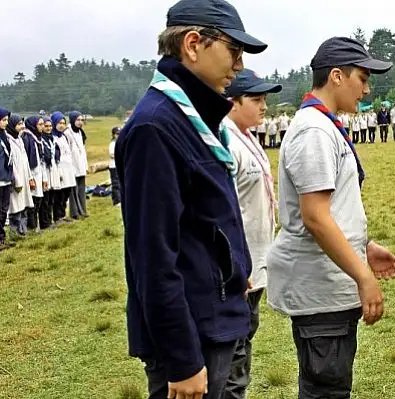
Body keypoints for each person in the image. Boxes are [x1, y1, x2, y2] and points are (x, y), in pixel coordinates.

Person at [114, 0, 267, 397]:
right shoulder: (157, 128)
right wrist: (182, 360)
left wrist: (233, 266)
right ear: (194, 44)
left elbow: (203, 219)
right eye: (234, 52)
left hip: (212, 312)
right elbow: (152, 257)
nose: (239, 66)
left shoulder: (193, 118)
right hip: (192, 332)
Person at [267, 36, 395, 398]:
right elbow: (315, 218)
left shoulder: (324, 126)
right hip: (323, 287)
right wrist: (363, 275)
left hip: (330, 280)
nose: (367, 89)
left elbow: (331, 210)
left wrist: (363, 246)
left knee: (330, 386)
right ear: (337, 76)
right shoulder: (314, 131)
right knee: (326, 390)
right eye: (363, 78)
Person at [220, 68, 281, 399]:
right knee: (234, 355)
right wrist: (235, 265)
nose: (264, 107)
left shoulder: (246, 137)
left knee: (243, 345)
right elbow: (224, 212)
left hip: (254, 265)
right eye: (256, 99)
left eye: (265, 100)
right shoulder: (228, 141)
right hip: (239, 270)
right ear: (232, 103)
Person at [6, 114, 34, 237]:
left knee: (24, 205)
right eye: (19, 124)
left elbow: (25, 161)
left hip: (24, 177)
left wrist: (30, 177)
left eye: (22, 124)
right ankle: (15, 232)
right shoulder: (8, 141)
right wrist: (16, 181)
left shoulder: (19, 139)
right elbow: (11, 164)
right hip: (16, 179)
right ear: (12, 125)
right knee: (15, 207)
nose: (22, 126)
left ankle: (23, 230)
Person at [23, 116, 48, 232]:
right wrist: (30, 178)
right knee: (32, 203)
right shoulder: (27, 139)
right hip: (31, 175)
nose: (42, 127)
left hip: (38, 174)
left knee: (38, 201)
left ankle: (34, 226)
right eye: (40, 124)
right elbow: (27, 161)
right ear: (33, 125)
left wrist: (44, 178)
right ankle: (32, 227)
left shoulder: (38, 138)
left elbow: (41, 160)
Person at [50, 112, 75, 224]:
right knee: (58, 195)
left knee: (66, 194)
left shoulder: (64, 136)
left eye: (63, 123)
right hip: (59, 168)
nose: (61, 125)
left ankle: (63, 214)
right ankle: (57, 217)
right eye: (59, 123)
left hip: (68, 168)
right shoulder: (52, 137)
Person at [39, 117, 61, 230]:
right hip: (45, 170)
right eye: (46, 126)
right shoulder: (41, 140)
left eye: (50, 126)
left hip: (53, 169)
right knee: (45, 199)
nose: (48, 128)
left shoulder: (52, 139)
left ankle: (50, 219)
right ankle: (44, 223)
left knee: (52, 197)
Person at [66, 111, 88, 219]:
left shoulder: (80, 133)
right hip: (73, 166)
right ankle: (75, 213)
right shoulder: (68, 133)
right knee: (73, 192)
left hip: (81, 165)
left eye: (81, 120)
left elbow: (83, 151)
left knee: (81, 189)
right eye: (78, 120)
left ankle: (83, 210)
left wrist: (86, 166)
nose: (80, 122)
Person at [0, 108, 15, 249]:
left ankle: (2, 238)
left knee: (4, 210)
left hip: (6, 178)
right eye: (3, 120)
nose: (6, 123)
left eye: (6, 120)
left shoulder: (4, 135)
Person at [108, 127, 121, 206]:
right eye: (117, 134)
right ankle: (116, 200)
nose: (118, 136)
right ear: (113, 135)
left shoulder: (120, 142)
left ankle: (119, 197)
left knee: (120, 182)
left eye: (120, 134)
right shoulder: (112, 144)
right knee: (115, 183)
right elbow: (112, 155)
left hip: (119, 165)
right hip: (113, 166)